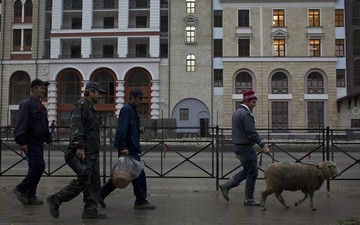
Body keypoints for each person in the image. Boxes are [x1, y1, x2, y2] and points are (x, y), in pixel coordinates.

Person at [47, 82, 107, 219]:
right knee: (84, 180)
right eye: (98, 93)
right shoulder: (81, 105)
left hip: (91, 151)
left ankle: (90, 210)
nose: (100, 96)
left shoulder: (90, 107)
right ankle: (56, 198)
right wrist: (79, 146)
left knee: (92, 181)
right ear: (90, 92)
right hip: (84, 151)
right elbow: (76, 126)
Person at [100, 87, 156, 210]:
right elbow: (122, 130)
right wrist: (124, 147)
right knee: (136, 174)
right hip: (128, 148)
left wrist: (138, 129)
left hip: (131, 147)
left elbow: (129, 128)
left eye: (141, 98)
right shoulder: (127, 110)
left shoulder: (132, 110)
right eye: (138, 98)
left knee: (124, 174)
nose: (140, 101)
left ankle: (99, 195)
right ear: (132, 97)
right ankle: (140, 201)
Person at [218, 90, 270, 206]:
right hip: (246, 147)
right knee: (253, 172)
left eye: (255, 102)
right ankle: (249, 198)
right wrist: (263, 145)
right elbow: (251, 132)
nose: (254, 104)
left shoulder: (237, 112)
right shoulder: (246, 114)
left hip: (239, 147)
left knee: (247, 171)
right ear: (246, 100)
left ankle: (226, 186)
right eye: (252, 102)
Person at [13, 78, 53, 205]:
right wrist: (22, 142)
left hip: (39, 142)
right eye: (41, 88)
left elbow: (45, 125)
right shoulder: (26, 104)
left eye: (44, 88)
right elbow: (21, 124)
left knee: (33, 168)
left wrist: (49, 139)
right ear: (34, 89)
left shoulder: (41, 106)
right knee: (39, 166)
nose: (44, 90)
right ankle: (20, 188)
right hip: (30, 142)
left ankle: (31, 195)